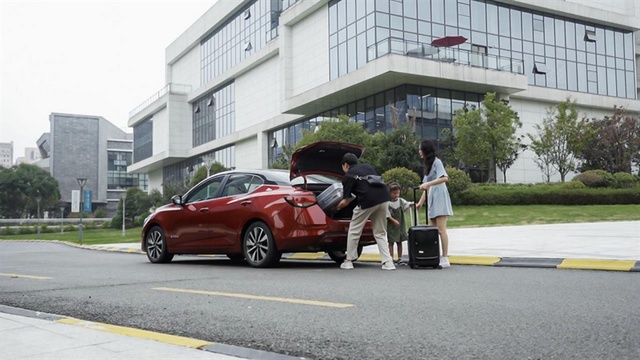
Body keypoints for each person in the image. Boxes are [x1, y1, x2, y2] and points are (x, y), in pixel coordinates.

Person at [336, 153, 395, 270]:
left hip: (367, 201)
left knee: (354, 230)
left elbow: (345, 201)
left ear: (346, 165)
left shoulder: (348, 176)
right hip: (384, 198)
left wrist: (336, 208)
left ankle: (349, 261)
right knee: (380, 233)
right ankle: (388, 262)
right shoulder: (367, 167)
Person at [416, 139, 454, 268]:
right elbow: (425, 187)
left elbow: (444, 178)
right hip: (432, 196)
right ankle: (434, 255)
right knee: (433, 230)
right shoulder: (427, 165)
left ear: (425, 150)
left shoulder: (437, 162)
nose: (419, 151)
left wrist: (428, 184)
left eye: (420, 149)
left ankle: (445, 257)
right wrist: (420, 203)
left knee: (441, 230)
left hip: (440, 196)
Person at [386, 182, 412, 265]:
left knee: (399, 241)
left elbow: (406, 206)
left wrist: (411, 204)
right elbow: (386, 214)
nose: (396, 195)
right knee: (391, 241)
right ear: (389, 193)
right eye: (394, 193)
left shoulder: (400, 201)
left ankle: (400, 258)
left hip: (400, 225)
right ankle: (390, 257)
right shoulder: (387, 203)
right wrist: (393, 220)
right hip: (391, 225)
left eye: (398, 193)